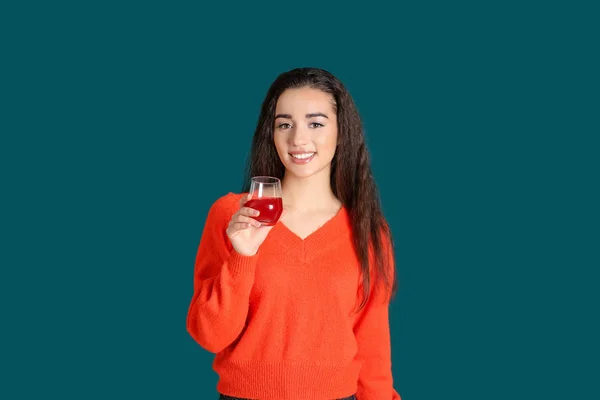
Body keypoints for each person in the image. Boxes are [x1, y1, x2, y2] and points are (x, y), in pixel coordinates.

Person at [186, 67, 402, 400]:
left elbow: (373, 349)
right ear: (270, 134)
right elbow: (210, 335)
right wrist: (242, 256)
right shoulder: (233, 215)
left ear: (342, 132)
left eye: (315, 123)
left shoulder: (368, 229)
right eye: (285, 124)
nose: (298, 139)